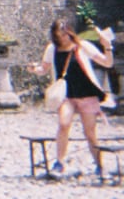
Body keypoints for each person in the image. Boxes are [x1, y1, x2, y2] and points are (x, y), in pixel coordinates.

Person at [28, 19, 114, 177]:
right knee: (63, 124)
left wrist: (107, 46)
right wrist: (35, 69)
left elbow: (107, 63)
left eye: (64, 34)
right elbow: (44, 68)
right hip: (66, 94)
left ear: (70, 32)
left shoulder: (82, 46)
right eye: (59, 35)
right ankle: (59, 162)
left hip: (87, 93)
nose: (63, 38)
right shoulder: (52, 49)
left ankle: (100, 165)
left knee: (89, 132)